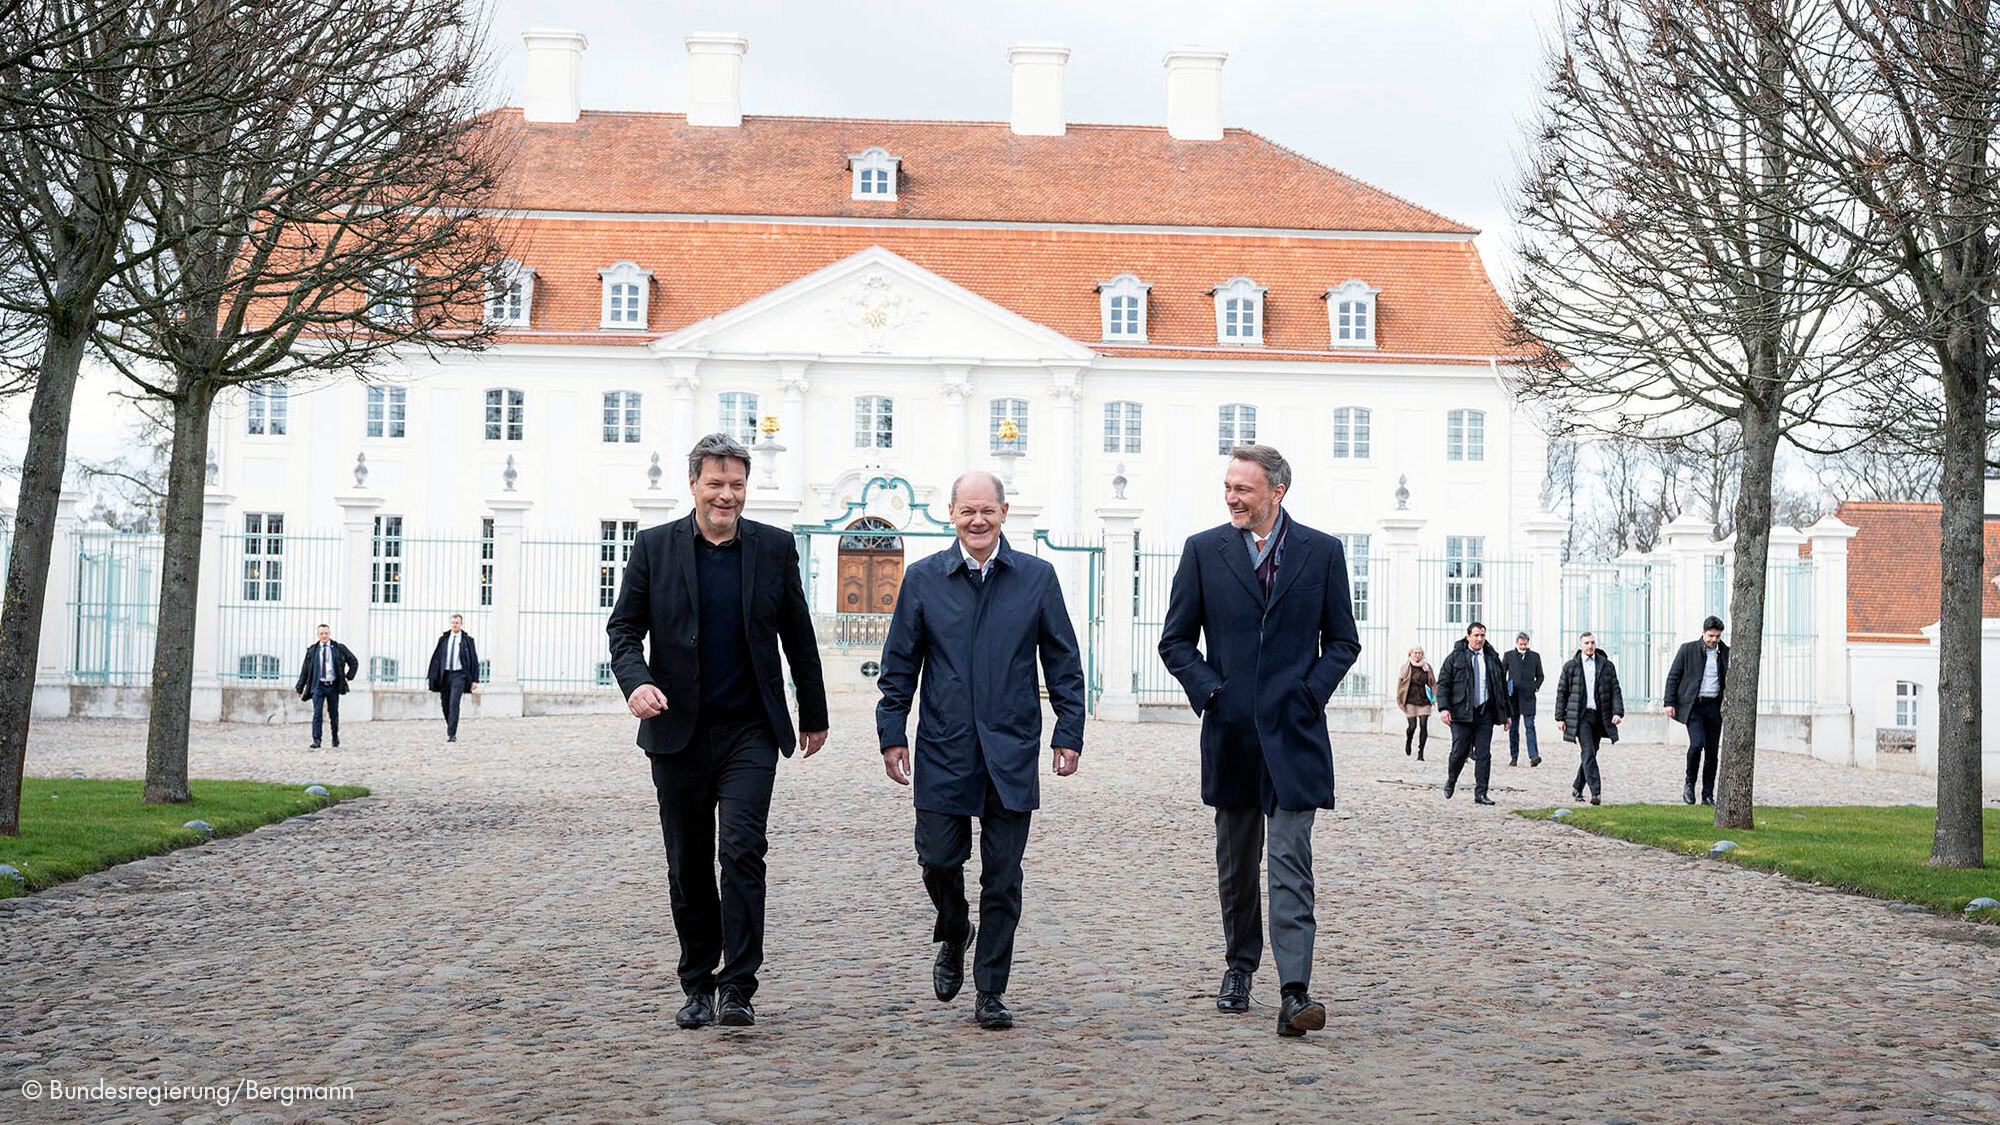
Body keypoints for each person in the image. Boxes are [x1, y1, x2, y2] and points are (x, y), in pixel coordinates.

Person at [606, 433, 829, 1031]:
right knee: (687, 862)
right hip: (676, 730)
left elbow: (797, 636)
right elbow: (623, 629)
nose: (726, 495)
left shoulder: (774, 548)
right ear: (694, 485)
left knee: (741, 852)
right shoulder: (653, 548)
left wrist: (814, 712)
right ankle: (697, 983)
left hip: (750, 730)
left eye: (736, 484)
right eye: (716, 484)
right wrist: (636, 683)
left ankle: (739, 986)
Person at [1159, 444, 1361, 1039]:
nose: (1231, 498)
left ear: (1277, 492)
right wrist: (1212, 692)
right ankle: (1239, 966)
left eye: (1243, 489)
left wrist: (1309, 692)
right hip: (1232, 734)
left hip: (1296, 736)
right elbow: (1175, 641)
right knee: (1238, 866)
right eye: (1227, 487)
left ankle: (1295, 991)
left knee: (1292, 863)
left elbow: (1343, 641)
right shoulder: (1203, 551)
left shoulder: (1323, 552)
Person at [877, 470, 1086, 1031]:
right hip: (945, 745)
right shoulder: (923, 579)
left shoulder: (1036, 578)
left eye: (986, 510)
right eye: (967, 510)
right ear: (951, 514)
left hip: (1011, 747)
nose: (977, 520)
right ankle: (953, 926)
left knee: (1003, 875)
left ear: (1003, 511)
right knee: (939, 859)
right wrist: (891, 732)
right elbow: (899, 665)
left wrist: (1069, 729)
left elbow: (1063, 660)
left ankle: (991, 988)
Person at [1435, 622, 1513, 805]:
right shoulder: (1455, 658)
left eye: (1482, 636)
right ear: (1468, 636)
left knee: (1484, 754)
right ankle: (1451, 779)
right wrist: (1444, 708)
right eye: (1476, 635)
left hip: (1484, 713)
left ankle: (1481, 792)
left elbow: (1501, 687)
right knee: (1459, 752)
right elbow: (1443, 684)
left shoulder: (1492, 659)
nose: (1479, 639)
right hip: (1461, 713)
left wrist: (1507, 714)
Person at [1663, 616, 1729, 806]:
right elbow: (1673, 676)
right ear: (1703, 632)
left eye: (1717, 636)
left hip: (1715, 707)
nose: (1713, 640)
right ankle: (1689, 784)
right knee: (1697, 744)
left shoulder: (1726, 652)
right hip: (1694, 706)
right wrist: (1669, 702)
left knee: (1712, 752)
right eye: (1710, 636)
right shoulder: (1688, 649)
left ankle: (1707, 794)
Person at [1554, 631, 1625, 805]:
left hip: (1599, 716)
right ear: (1580, 645)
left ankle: (1577, 786)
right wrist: (1559, 717)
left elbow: (1615, 689)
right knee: (1588, 752)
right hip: (1581, 717)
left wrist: (1618, 712)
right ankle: (1596, 792)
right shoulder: (1571, 666)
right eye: (1586, 643)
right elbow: (1562, 692)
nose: (1590, 646)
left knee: (1591, 753)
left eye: (1592, 643)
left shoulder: (1606, 665)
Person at [293, 623, 357, 750]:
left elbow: (353, 662)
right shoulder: (312, 650)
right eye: (321, 633)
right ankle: (317, 740)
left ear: (329, 634)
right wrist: (300, 687)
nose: (324, 636)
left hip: (333, 685)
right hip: (318, 686)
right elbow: (305, 670)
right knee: (317, 713)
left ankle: (335, 737)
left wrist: (348, 677)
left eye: (326, 633)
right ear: (318, 635)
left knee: (333, 713)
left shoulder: (339, 648)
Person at [425, 613, 479, 743]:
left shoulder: (467, 640)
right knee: (445, 704)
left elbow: (474, 660)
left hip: (459, 675)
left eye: (457, 623)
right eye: (453, 623)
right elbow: (436, 658)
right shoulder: (444, 639)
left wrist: (475, 679)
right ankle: (451, 724)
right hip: (445, 675)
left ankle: (451, 733)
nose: (454, 625)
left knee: (454, 703)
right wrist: (430, 676)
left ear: (461, 624)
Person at [1502, 631, 1545, 767]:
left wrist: (1535, 686)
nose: (1523, 646)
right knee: (1513, 728)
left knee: (1530, 726)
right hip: (1513, 698)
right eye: (1521, 644)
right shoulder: (1508, 656)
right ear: (1517, 643)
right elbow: (1502, 674)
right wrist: (1505, 690)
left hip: (1528, 697)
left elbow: (1540, 676)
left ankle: (1533, 755)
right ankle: (1514, 756)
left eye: (1525, 644)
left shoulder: (1535, 657)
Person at [1395, 648, 1435, 759]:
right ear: (1411, 654)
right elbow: (1400, 684)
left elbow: (1433, 683)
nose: (1417, 655)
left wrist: (1434, 697)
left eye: (1420, 653)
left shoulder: (1427, 667)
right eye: (1415, 653)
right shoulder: (1405, 667)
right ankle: (1409, 740)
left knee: (1423, 725)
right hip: (1410, 700)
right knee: (1412, 726)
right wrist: (1399, 700)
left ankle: (1421, 752)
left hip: (1424, 700)